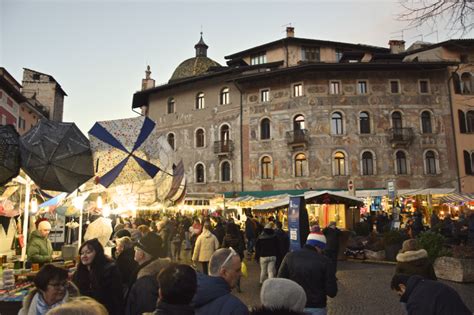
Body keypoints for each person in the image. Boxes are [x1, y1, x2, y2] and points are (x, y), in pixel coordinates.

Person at [278, 231, 337, 315]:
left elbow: (280, 282)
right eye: (322, 249)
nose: (322, 251)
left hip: (294, 305)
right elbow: (332, 292)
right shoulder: (325, 261)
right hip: (317, 307)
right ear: (318, 246)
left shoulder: (289, 256)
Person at [72, 238, 123, 315]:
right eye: (82, 253)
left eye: (88, 252)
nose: (84, 256)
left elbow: (114, 298)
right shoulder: (79, 272)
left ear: (98, 253)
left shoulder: (109, 270)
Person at [192, 248, 249, 315]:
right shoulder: (237, 309)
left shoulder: (187, 296)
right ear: (224, 272)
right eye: (237, 270)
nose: (241, 274)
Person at [125, 232, 171, 315]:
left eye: (136, 249)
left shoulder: (146, 282)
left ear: (142, 254)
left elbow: (144, 309)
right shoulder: (152, 271)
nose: (134, 251)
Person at [391, 274, 471, 315]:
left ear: (402, 287)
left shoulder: (415, 301)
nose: (400, 298)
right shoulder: (429, 284)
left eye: (399, 294)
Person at [221, 222, 246, 292]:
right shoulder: (239, 235)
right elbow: (242, 247)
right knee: (238, 271)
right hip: (238, 256)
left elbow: (223, 247)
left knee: (228, 270)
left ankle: (229, 284)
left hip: (229, 256)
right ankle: (237, 284)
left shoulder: (226, 237)